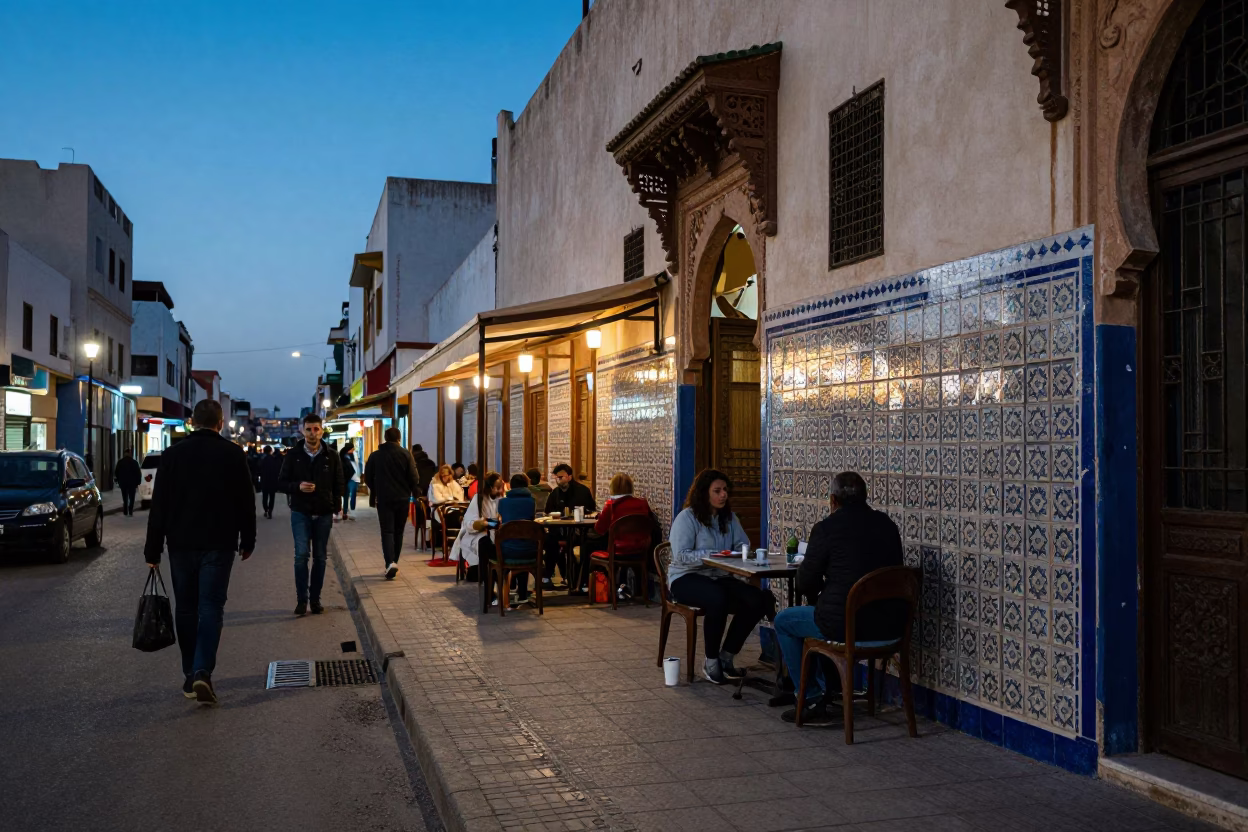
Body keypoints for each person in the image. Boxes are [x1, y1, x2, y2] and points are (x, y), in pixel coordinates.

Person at [143, 399, 256, 706]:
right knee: (211, 607)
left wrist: (152, 549)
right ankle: (203, 671)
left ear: (191, 423)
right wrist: (248, 539)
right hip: (219, 543)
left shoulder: (173, 455)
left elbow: (160, 506)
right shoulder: (233, 454)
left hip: (181, 543)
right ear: (220, 424)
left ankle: (190, 672)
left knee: (187, 608)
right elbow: (245, 499)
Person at [775, 471, 905, 723]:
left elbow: (804, 583)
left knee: (785, 621)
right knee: (822, 614)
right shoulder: (888, 525)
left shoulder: (826, 529)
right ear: (866, 497)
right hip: (889, 626)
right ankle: (828, 689)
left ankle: (811, 697)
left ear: (833, 501)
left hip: (844, 625)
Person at [668, 468, 775, 685]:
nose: (723, 495)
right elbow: (681, 556)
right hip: (686, 577)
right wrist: (713, 556)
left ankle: (727, 656)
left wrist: (742, 553)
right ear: (703, 493)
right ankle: (711, 661)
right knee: (717, 598)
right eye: (717, 491)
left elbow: (742, 544)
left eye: (725, 490)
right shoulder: (686, 518)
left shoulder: (729, 518)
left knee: (759, 599)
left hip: (719, 576)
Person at [277, 413, 344, 616]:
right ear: (302, 430)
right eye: (309, 429)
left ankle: (315, 600)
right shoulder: (293, 455)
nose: (312, 433)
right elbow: (281, 483)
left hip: (323, 513)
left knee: (321, 557)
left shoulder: (331, 455)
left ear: (322, 430)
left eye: (316, 429)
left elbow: (338, 483)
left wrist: (337, 507)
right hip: (300, 512)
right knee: (301, 555)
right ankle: (301, 600)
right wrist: (298, 486)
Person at [364, 427, 420, 579]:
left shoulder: (375, 456)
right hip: (402, 498)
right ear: (399, 438)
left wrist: (376, 489)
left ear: (385, 438)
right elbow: (414, 478)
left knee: (387, 531)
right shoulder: (406, 454)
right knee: (399, 531)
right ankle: (394, 562)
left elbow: (367, 477)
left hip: (384, 499)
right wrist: (407, 489)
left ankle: (389, 563)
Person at [593, 472, 659, 601]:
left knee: (591, 545)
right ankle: (637, 591)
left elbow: (599, 529)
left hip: (618, 551)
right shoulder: (642, 503)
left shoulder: (611, 505)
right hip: (641, 549)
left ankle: (599, 587)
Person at [542, 462, 598, 592]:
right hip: (559, 531)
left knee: (585, 545)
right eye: (556, 477)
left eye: (560, 477)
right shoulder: (555, 493)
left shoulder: (582, 491)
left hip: (579, 531)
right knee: (549, 541)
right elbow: (547, 512)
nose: (558, 480)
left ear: (569, 477)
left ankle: (580, 581)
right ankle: (547, 577)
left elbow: (591, 509)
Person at [490, 472, 538, 608]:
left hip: (507, 551)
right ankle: (522, 593)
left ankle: (502, 593)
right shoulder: (531, 501)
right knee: (523, 542)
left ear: (510, 486)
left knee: (510, 544)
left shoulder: (503, 502)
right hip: (530, 551)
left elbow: (500, 520)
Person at [449, 471, 504, 584]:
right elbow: (470, 523)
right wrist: (484, 524)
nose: (500, 491)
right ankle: (488, 575)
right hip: (476, 535)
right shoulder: (478, 499)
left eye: (501, 488)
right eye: (497, 488)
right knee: (484, 543)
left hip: (495, 532)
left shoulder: (501, 499)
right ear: (490, 487)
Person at [429, 463, 465, 548]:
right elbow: (437, 499)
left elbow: (459, 494)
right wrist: (449, 498)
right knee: (456, 516)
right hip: (440, 509)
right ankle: (452, 541)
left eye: (446, 475)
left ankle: (459, 541)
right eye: (443, 476)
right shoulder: (435, 484)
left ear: (450, 475)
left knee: (463, 514)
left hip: (453, 507)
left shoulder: (453, 483)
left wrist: (453, 499)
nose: (445, 478)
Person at [114, 448, 141, 516]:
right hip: (132, 483)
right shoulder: (134, 462)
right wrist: (138, 482)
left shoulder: (120, 462)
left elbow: (116, 472)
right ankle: (130, 510)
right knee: (132, 497)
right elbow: (138, 473)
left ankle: (126, 511)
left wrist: (117, 480)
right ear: (130, 454)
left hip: (123, 483)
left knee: (125, 497)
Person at [258, 445, 283, 519]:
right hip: (273, 480)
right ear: (270, 451)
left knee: (265, 496)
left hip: (264, 480)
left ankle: (266, 509)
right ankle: (270, 510)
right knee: (272, 496)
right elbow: (278, 470)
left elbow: (258, 469)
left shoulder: (261, 459)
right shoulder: (274, 459)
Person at [339, 441, 360, 521]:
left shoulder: (354, 455)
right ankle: (345, 512)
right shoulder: (342, 457)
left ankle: (352, 511)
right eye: (351, 449)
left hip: (354, 478)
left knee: (353, 494)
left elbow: (357, 466)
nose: (353, 450)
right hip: (346, 478)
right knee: (346, 495)